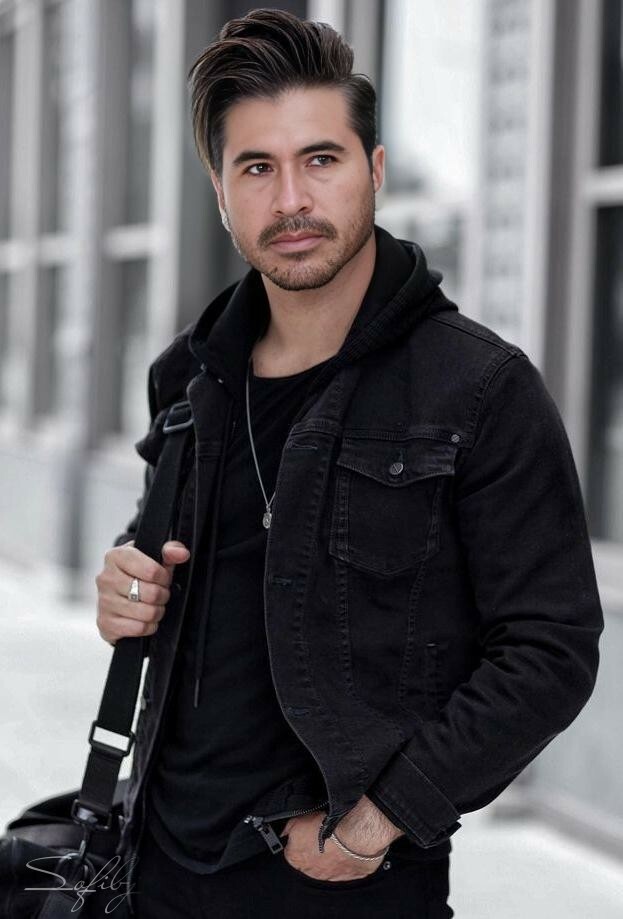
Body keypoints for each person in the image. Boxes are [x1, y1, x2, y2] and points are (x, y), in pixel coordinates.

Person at [94, 9, 604, 918]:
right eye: (257, 167)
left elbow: (549, 649)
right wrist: (127, 591)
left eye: (320, 159)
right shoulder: (189, 377)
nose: (290, 198)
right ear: (219, 189)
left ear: (373, 170)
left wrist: (373, 826)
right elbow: (160, 569)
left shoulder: (477, 389)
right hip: (156, 871)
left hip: (342, 889)